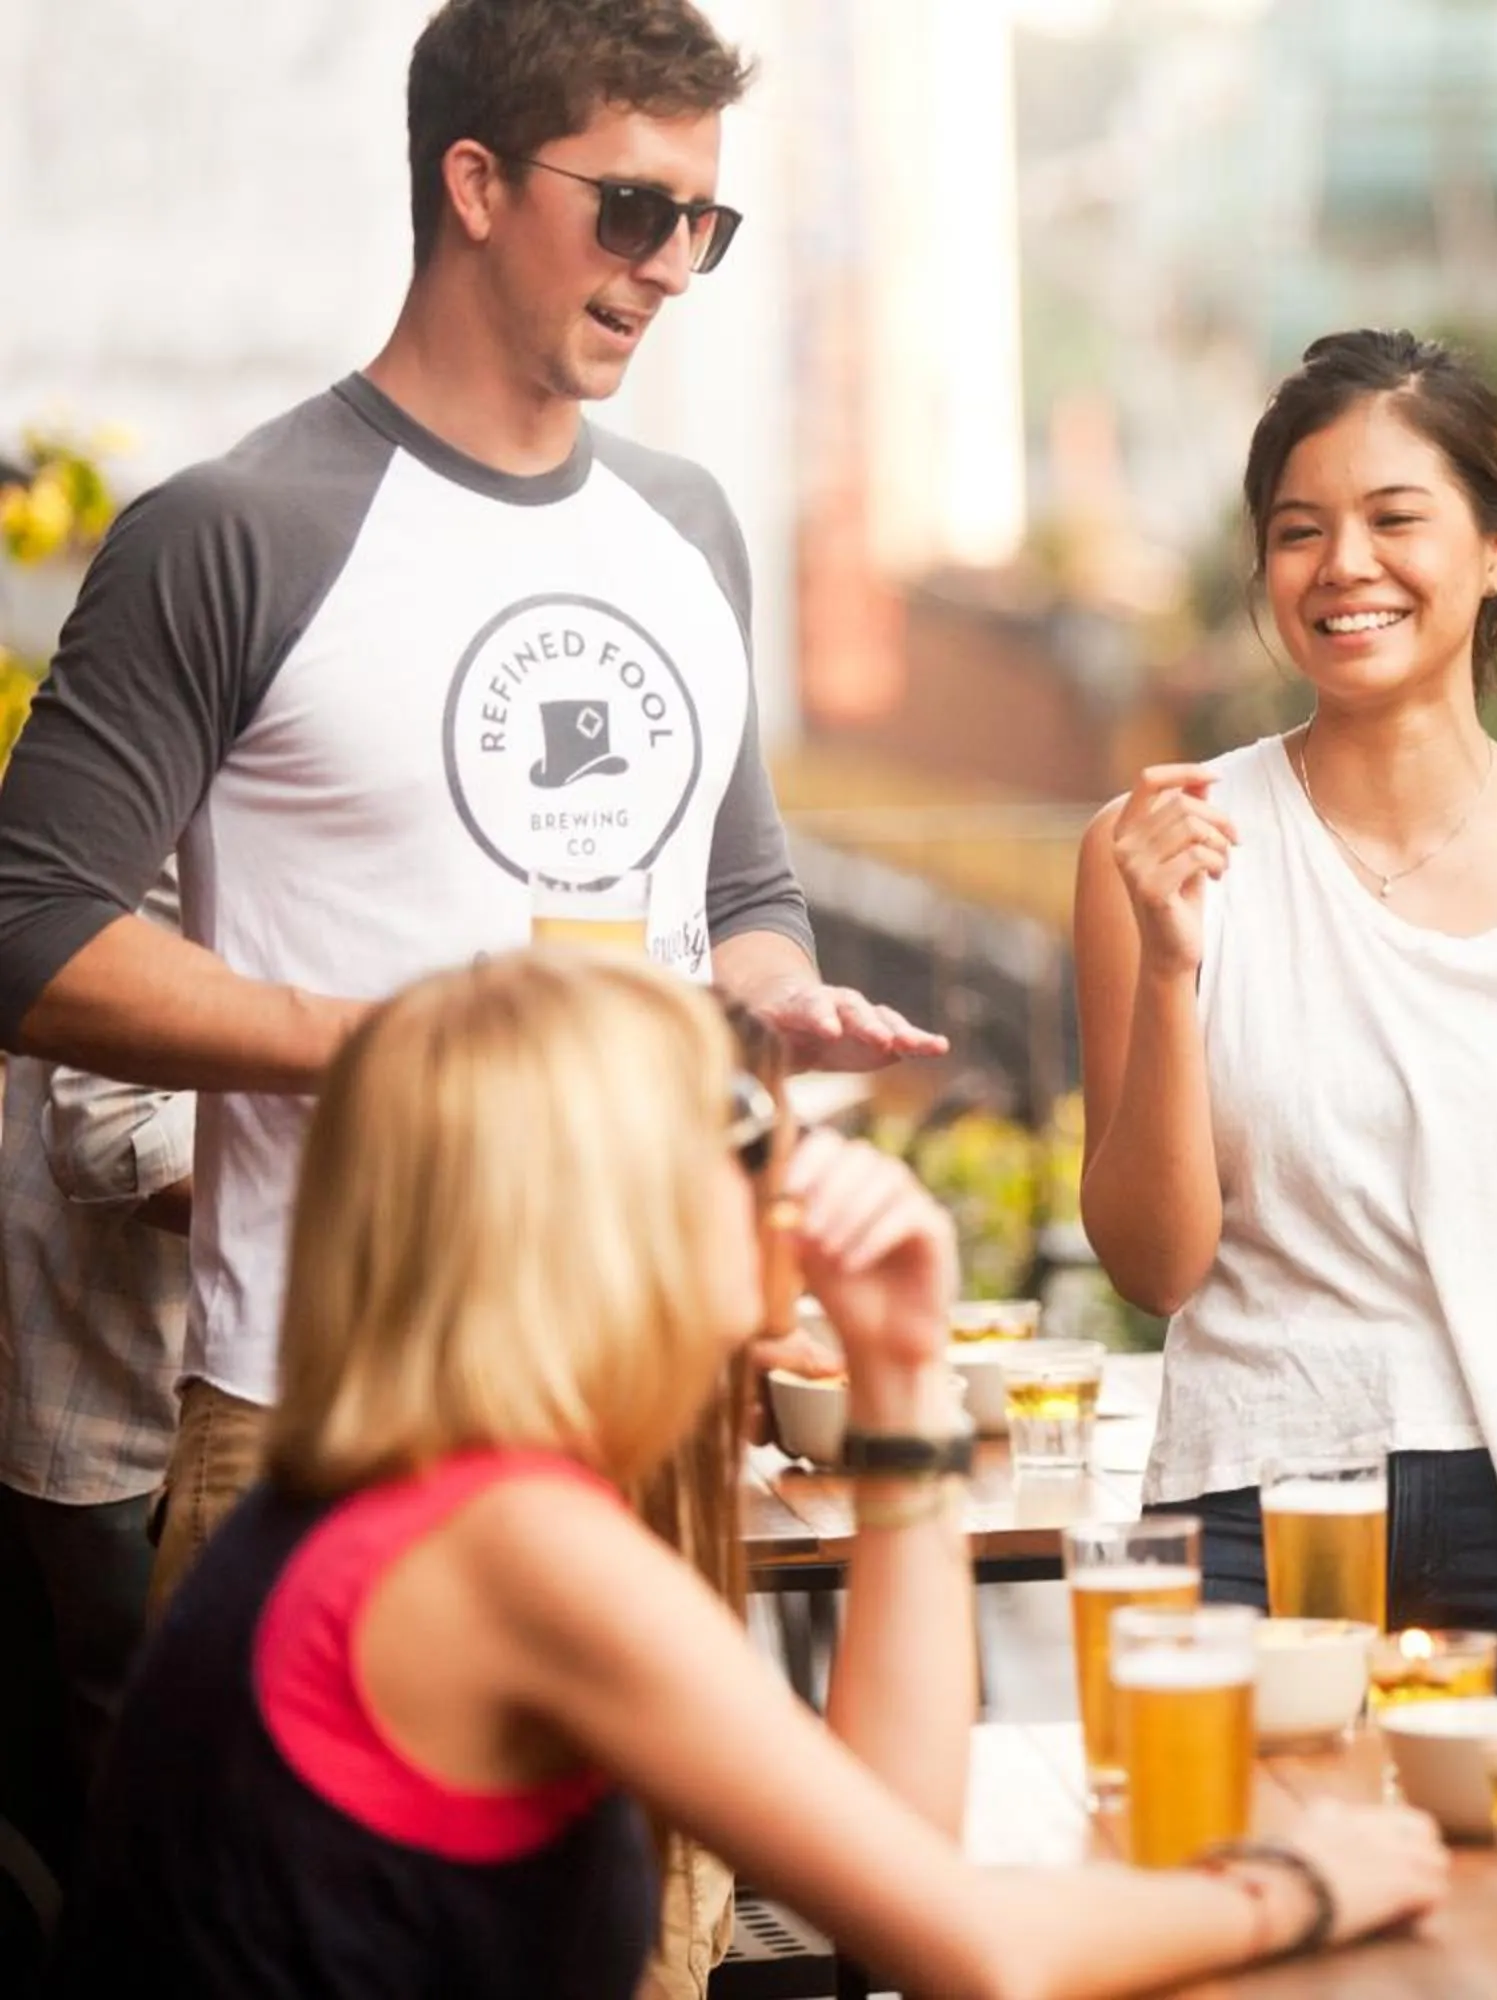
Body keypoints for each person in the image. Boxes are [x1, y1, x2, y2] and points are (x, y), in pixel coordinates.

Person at [0, 0, 942, 1619]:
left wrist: (779, 999)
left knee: (690, 1813)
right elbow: (30, 934)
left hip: (654, 1384)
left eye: (704, 224)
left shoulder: (689, 527)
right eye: (633, 208)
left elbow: (738, 896)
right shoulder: (232, 531)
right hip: (331, 1400)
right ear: (478, 183)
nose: (671, 265)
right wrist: (419, 1045)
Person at [46, 951, 1444, 2000]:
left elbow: (897, 1852)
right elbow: (978, 1950)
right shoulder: (507, 1542)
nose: (792, 1159)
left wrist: (899, 1375)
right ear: (592, 1203)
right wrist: (1300, 1882)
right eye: (740, 1124)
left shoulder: (430, 1496)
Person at [1074, 329, 1497, 1693]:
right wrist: (1171, 966)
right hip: (1255, 1494)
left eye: (1395, 518)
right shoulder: (1165, 844)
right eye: (1299, 530)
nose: (1344, 563)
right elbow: (1152, 1267)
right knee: (1236, 1836)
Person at [0, 884, 191, 1885]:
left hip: (190, 1378)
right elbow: (118, 1135)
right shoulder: (177, 829)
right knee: (150, 1778)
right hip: (119, 1382)